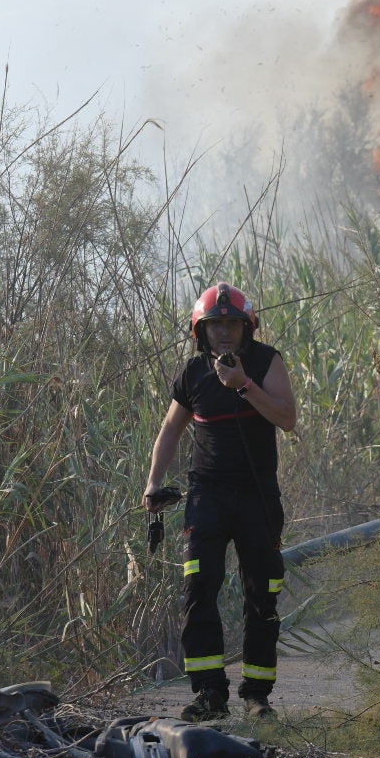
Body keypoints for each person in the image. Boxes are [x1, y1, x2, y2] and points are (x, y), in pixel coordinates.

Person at [144, 282, 298, 721]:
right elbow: (171, 430)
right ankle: (210, 694)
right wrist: (154, 483)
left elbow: (287, 418)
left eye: (232, 324)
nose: (225, 333)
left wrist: (243, 385)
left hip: (257, 499)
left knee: (262, 595)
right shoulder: (192, 374)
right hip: (206, 497)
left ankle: (256, 698)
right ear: (201, 332)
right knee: (198, 590)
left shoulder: (267, 363)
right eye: (216, 326)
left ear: (247, 327)